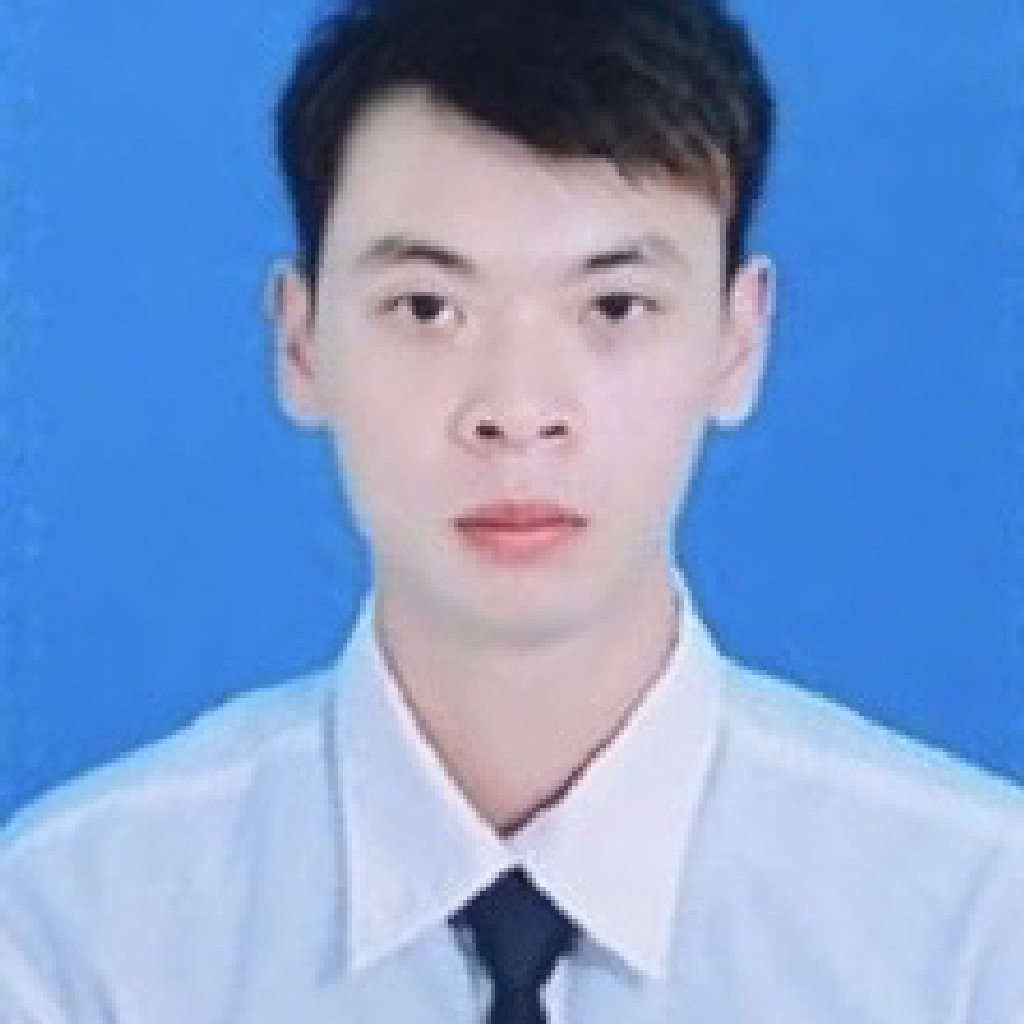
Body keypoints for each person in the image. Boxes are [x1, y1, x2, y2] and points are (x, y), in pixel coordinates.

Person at [2, 0, 1022, 1020]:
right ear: (301, 342)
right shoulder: (73, 932)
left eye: (614, 306)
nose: (518, 411)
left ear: (738, 340)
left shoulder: (974, 932)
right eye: (426, 307)